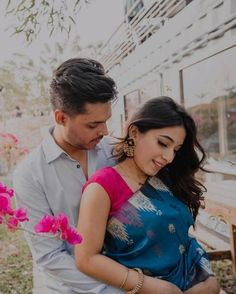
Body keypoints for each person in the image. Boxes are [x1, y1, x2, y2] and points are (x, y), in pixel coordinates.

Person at [75, 96, 220, 294]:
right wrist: (152, 287)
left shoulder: (167, 178)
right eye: (162, 143)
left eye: (176, 150)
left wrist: (208, 279)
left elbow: (182, 239)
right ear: (134, 132)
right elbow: (86, 259)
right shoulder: (103, 187)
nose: (169, 157)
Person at [13, 58, 124, 293]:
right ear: (61, 118)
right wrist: (118, 290)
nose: (104, 131)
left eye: (106, 121)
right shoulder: (30, 174)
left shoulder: (114, 152)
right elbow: (50, 256)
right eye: (93, 124)